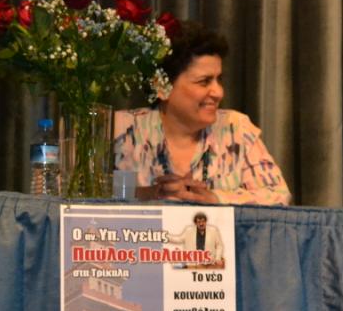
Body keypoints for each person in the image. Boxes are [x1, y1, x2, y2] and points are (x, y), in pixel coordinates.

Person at [114, 21, 291, 205]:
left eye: (219, 79)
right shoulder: (122, 129)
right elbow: (96, 193)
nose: (219, 92)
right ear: (161, 87)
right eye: (204, 82)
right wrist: (147, 193)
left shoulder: (236, 129)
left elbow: (278, 196)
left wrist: (216, 198)